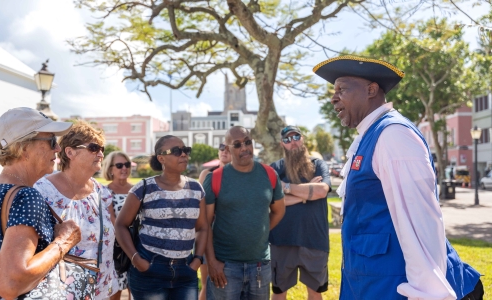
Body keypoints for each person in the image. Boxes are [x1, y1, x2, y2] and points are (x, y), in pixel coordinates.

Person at [314, 55, 483, 299]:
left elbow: (420, 220)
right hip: (371, 282)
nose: (333, 97)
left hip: (394, 287)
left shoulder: (393, 135)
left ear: (371, 90)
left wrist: (428, 294)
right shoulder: (370, 134)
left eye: (342, 89)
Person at [0, 107, 81, 299]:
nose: (58, 148)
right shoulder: (27, 197)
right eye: (51, 141)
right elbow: (10, 284)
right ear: (24, 147)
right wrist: (64, 241)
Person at [115, 135, 208, 300]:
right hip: (150, 268)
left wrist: (198, 260)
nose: (184, 155)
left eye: (185, 150)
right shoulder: (144, 188)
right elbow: (120, 225)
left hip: (186, 271)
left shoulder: (196, 189)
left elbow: (202, 228)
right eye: (177, 151)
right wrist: (136, 259)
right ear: (161, 158)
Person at [34, 121, 119, 299]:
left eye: (102, 148)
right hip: (60, 290)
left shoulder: (102, 193)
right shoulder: (41, 190)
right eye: (94, 147)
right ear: (70, 152)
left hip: (101, 289)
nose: (101, 154)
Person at [203, 126, 286, 300]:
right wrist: (211, 262)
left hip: (259, 266)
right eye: (237, 144)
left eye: (247, 142)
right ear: (227, 149)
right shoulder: (215, 178)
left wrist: (259, 230)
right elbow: (204, 225)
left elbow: (278, 211)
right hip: (224, 266)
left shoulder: (269, 174)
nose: (244, 148)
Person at [269, 125, 332, 300]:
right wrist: (306, 194)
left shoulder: (318, 164)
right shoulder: (275, 169)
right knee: (279, 292)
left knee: (315, 292)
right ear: (282, 144)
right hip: (281, 240)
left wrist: (286, 188)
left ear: (302, 139)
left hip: (314, 239)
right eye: (287, 139)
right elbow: (271, 202)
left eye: (296, 137)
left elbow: (321, 191)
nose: (293, 142)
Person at [197, 143, 232, 300]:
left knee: (230, 285)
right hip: (208, 232)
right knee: (207, 284)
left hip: (231, 236)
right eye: (221, 147)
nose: (224, 150)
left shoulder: (242, 176)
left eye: (229, 147)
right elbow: (199, 204)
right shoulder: (207, 173)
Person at [103, 151, 133, 300]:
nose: (124, 168)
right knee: (114, 292)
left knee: (135, 292)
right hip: (116, 250)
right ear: (110, 169)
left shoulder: (137, 189)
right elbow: (112, 220)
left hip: (137, 248)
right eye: (119, 165)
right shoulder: (105, 192)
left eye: (126, 164)